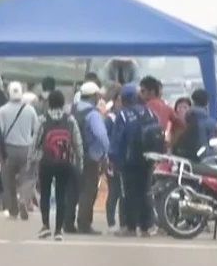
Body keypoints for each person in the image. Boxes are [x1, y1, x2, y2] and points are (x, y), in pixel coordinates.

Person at [27, 90, 83, 241]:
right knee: (61, 195)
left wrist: (31, 160)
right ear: (63, 103)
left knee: (45, 193)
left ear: (49, 103)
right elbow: (77, 142)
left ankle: (45, 225)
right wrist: (79, 162)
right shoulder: (70, 120)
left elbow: (35, 143)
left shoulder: (43, 120)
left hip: (46, 162)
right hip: (65, 162)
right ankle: (59, 230)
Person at [110, 83, 159, 237]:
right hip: (148, 159)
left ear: (124, 99)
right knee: (145, 191)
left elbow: (117, 140)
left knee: (128, 194)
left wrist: (113, 159)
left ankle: (130, 227)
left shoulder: (123, 115)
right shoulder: (149, 113)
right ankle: (146, 226)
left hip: (128, 161)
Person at [65, 81, 109, 234]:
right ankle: (84, 224)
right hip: (89, 157)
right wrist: (106, 153)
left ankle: (67, 223)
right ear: (95, 96)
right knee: (88, 190)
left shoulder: (72, 110)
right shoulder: (93, 114)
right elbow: (102, 135)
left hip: (71, 155)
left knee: (72, 190)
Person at [0, 81, 39, 221]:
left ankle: (13, 209)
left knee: (8, 181)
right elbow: (36, 130)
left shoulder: (2, 111)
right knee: (28, 178)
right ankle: (24, 200)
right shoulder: (30, 110)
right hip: (26, 149)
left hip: (8, 149)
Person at [140, 75, 184, 141]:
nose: (140, 93)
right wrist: (172, 142)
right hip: (161, 145)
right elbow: (182, 126)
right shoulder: (167, 108)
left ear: (152, 91)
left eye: (143, 91)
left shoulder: (142, 109)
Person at [104, 87, 124, 230]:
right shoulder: (110, 119)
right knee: (114, 191)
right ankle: (111, 222)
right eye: (119, 100)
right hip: (112, 160)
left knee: (124, 193)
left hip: (125, 160)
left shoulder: (126, 117)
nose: (121, 103)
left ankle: (124, 222)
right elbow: (105, 139)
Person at [178, 89, 217, 161]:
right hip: (207, 158)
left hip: (186, 157)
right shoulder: (211, 122)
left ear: (193, 102)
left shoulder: (185, 119)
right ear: (207, 103)